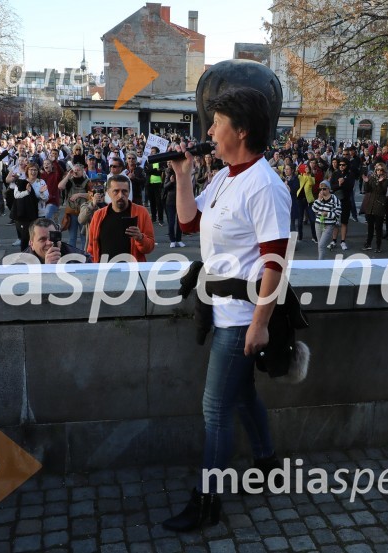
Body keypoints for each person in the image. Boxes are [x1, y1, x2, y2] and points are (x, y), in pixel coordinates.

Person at [166, 87, 289, 532]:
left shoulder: (265, 185)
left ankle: (207, 502)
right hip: (220, 309)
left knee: (215, 409)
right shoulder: (225, 176)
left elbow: (276, 261)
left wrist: (261, 323)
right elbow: (189, 223)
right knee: (241, 396)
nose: (209, 132)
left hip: (241, 317)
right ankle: (267, 462)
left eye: (216, 123)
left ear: (241, 130)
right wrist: (183, 176)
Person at [86, 174, 155, 262]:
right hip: (104, 272)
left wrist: (140, 238)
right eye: (116, 191)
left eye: (124, 191)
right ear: (108, 192)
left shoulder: (141, 213)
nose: (120, 195)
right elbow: (91, 248)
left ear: (129, 192)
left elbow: (149, 248)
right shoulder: (98, 215)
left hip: (132, 272)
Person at [11, 163, 48, 251]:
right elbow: (16, 195)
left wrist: (42, 193)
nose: (33, 172)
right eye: (31, 169)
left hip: (39, 213)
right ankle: (25, 255)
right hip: (26, 214)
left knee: (39, 236)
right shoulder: (21, 182)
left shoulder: (41, 182)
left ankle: (38, 255)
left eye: (35, 170)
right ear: (27, 171)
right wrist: (27, 192)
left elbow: (46, 198)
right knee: (25, 237)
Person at [24, 217, 91, 264]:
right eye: (42, 239)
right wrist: (48, 270)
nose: (49, 243)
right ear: (31, 244)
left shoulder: (81, 259)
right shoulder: (20, 265)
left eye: (53, 237)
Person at [362, 163, 388, 253]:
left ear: (384, 171)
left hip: (379, 205)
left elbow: (382, 191)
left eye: (381, 170)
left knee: (378, 227)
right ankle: (368, 244)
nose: (379, 172)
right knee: (370, 226)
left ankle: (378, 246)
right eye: (378, 170)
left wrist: (380, 182)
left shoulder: (386, 179)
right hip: (370, 204)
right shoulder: (372, 178)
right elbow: (367, 190)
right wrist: (366, 182)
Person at [311, 180, 341, 259]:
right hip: (318, 223)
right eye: (320, 189)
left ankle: (320, 263)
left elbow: (338, 213)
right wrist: (318, 200)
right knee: (320, 245)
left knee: (321, 245)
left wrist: (328, 214)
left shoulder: (334, 199)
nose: (322, 191)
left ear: (329, 189)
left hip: (329, 225)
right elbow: (314, 209)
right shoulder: (319, 198)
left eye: (324, 189)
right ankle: (322, 262)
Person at [162, 161, 185, 248]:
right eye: (169, 162)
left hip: (180, 200)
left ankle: (179, 239)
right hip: (170, 201)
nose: (170, 164)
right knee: (171, 222)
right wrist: (171, 182)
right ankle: (172, 240)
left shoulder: (182, 172)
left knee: (180, 222)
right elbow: (165, 186)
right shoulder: (169, 173)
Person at [145, 147, 165, 225]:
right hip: (149, 183)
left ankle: (160, 219)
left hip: (158, 184)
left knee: (159, 202)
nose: (151, 152)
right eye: (151, 151)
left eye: (153, 151)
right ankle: (153, 218)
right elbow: (146, 170)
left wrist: (151, 170)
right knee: (152, 202)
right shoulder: (148, 160)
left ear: (157, 152)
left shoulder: (160, 161)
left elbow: (160, 172)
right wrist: (154, 170)